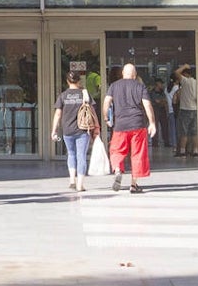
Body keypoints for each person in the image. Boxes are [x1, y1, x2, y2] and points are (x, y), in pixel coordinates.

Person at [103, 63, 157, 194]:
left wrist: (106, 118)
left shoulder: (114, 86)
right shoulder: (140, 86)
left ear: (123, 73)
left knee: (116, 150)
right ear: (135, 75)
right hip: (137, 124)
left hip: (120, 125)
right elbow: (147, 105)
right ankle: (133, 185)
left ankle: (117, 170)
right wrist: (152, 122)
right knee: (137, 154)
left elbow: (106, 102)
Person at [51, 72, 96, 193]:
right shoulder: (85, 94)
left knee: (71, 154)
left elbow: (58, 114)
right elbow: (92, 111)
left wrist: (54, 130)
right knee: (81, 155)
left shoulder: (63, 96)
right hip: (82, 129)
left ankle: (72, 180)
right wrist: (96, 127)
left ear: (67, 81)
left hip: (67, 130)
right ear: (79, 81)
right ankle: (80, 184)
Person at [174, 64, 198, 157]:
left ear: (186, 75)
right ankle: (195, 150)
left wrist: (184, 66)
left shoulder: (185, 81)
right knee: (194, 132)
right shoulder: (197, 82)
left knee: (184, 131)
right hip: (195, 109)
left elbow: (176, 73)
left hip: (185, 109)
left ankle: (182, 151)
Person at [147, 78, 171, 150]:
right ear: (157, 84)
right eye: (161, 83)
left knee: (165, 126)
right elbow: (157, 101)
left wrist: (161, 101)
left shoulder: (162, 92)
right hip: (155, 110)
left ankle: (166, 142)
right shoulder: (152, 92)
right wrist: (161, 101)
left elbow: (165, 101)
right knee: (155, 126)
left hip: (162, 110)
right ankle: (155, 142)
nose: (162, 85)